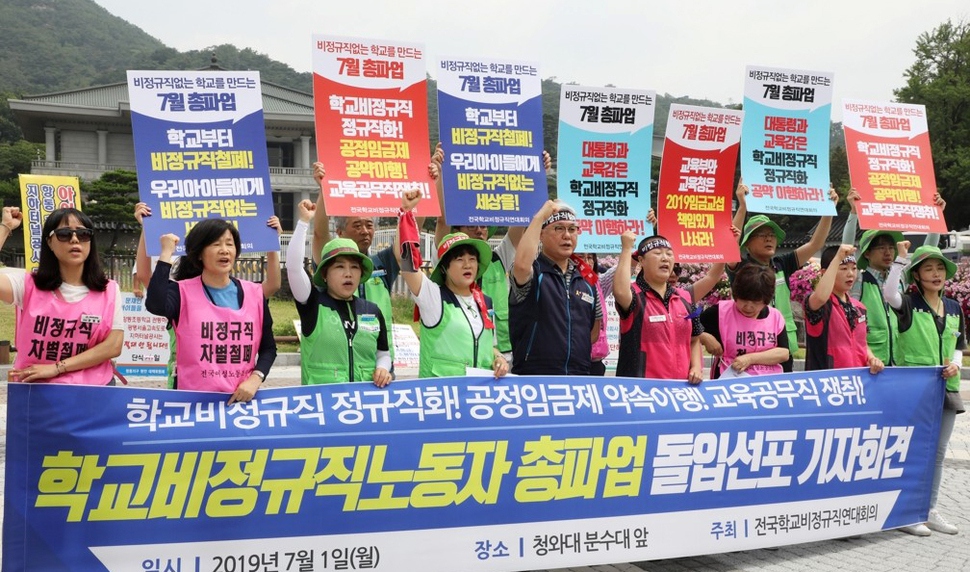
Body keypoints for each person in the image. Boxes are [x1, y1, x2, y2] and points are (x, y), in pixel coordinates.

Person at [134, 202, 281, 386]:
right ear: (199, 253)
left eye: (229, 244)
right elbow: (154, 302)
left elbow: (268, 347)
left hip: (240, 402)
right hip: (193, 402)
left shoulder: (254, 293)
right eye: (215, 244)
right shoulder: (181, 292)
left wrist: (256, 378)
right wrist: (161, 248)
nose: (224, 250)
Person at [430, 143, 552, 360]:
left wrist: (536, 172)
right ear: (456, 229)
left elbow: (523, 220)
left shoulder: (498, 257)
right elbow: (442, 219)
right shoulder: (446, 255)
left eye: (484, 225)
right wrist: (439, 174)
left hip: (503, 353)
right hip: (460, 350)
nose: (480, 229)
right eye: (471, 225)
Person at [884, 241, 965, 537]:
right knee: (914, 451)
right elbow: (889, 293)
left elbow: (958, 345)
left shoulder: (954, 307)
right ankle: (906, 513)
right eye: (928, 268)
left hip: (947, 389)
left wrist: (956, 364)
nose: (935, 273)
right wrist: (901, 260)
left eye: (940, 268)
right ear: (916, 276)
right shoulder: (907, 302)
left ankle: (928, 509)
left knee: (939, 453)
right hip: (915, 389)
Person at [1, 207, 124, 384]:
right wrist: (5, 226)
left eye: (83, 234)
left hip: (94, 393)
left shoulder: (109, 290)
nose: (75, 239)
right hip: (36, 393)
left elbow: (113, 346)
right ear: (49, 242)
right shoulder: (26, 285)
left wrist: (57, 368)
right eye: (64, 234)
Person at [399, 190, 509, 378]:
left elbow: (482, 343)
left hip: (478, 398)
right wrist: (406, 213)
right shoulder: (433, 297)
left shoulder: (484, 302)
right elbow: (408, 266)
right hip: (442, 399)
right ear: (444, 267)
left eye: (472, 258)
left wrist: (498, 358)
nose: (467, 264)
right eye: (459, 259)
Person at [730, 182, 839, 371]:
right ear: (746, 244)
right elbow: (729, 244)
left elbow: (815, 244)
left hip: (782, 346)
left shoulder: (782, 264)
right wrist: (742, 207)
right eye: (762, 234)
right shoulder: (740, 267)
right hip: (750, 348)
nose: (769, 238)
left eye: (772, 234)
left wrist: (829, 210)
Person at [312, 163, 410, 369]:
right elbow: (320, 233)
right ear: (339, 232)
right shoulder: (329, 263)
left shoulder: (383, 262)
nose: (365, 231)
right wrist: (323, 189)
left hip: (379, 363)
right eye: (357, 225)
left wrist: (413, 204)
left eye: (369, 224)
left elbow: (408, 240)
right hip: (339, 366)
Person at [287, 199, 391, 386]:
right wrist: (303, 222)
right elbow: (294, 268)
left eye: (354, 267)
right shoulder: (312, 304)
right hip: (322, 406)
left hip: (364, 405)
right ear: (325, 274)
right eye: (340, 267)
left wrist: (383, 368)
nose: (348, 273)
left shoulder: (372, 311)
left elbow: (383, 353)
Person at [841, 189, 945, 365]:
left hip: (899, 355)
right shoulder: (859, 278)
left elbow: (926, 256)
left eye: (891, 247)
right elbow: (846, 248)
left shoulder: (900, 275)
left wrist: (937, 216)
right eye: (881, 248)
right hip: (869, 357)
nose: (888, 252)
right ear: (866, 253)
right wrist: (853, 212)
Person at [510, 200, 600, 375]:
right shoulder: (534, 272)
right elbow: (520, 266)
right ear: (541, 235)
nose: (567, 235)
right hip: (535, 376)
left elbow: (593, 330)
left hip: (579, 375)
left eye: (572, 229)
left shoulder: (586, 279)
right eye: (559, 228)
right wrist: (540, 217)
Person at [614, 232, 703, 382]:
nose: (665, 258)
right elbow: (620, 291)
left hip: (680, 389)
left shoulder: (685, 298)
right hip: (641, 390)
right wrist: (627, 249)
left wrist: (696, 367)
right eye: (657, 253)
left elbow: (695, 338)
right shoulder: (635, 295)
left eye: (669, 254)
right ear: (641, 261)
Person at [699, 264, 790, 378]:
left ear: (766, 300)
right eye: (743, 300)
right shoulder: (721, 312)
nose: (748, 307)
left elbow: (784, 353)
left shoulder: (775, 316)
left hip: (767, 382)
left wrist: (750, 359)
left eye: (756, 302)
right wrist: (704, 337)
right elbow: (688, 327)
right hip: (728, 378)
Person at [803, 244, 883, 373]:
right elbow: (821, 297)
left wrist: (872, 358)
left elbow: (861, 342)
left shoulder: (859, 307)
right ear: (824, 272)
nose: (850, 274)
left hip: (857, 381)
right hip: (828, 382)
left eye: (854, 268)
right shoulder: (820, 304)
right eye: (843, 268)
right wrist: (838, 258)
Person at [577, 252, 609, 376]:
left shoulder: (597, 283)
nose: (586, 261)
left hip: (594, 359)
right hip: (571, 358)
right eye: (580, 257)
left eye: (590, 258)